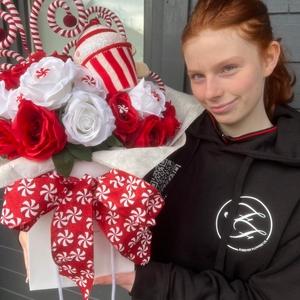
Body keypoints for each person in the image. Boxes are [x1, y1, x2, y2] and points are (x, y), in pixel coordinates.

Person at [21, 0, 300, 299]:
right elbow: (98, 194)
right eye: (198, 75)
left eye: (228, 68)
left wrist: (154, 282)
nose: (211, 92)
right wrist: (38, 224)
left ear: (269, 58)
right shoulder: (169, 136)